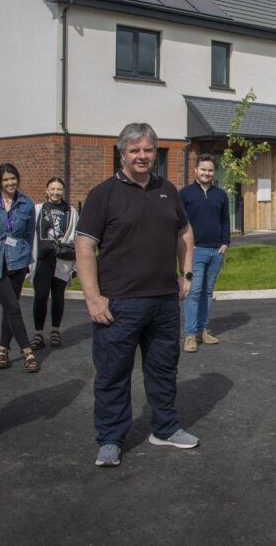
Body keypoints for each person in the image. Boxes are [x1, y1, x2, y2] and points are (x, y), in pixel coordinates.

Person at [76, 123, 199, 468]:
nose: (142, 156)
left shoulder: (168, 190)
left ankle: (166, 428)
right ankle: (111, 440)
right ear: (122, 153)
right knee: (113, 373)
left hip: (163, 301)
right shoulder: (104, 194)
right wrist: (93, 297)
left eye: (147, 150)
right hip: (118, 303)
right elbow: (85, 247)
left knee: (163, 370)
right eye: (134, 150)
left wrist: (185, 273)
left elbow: (185, 234)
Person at [0, 163, 38, 372]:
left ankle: (3, 349)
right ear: (0, 182)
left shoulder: (26, 204)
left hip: (19, 261)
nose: (10, 182)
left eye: (13, 178)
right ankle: (27, 350)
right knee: (13, 307)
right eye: (5, 179)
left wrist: (28, 260)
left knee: (9, 308)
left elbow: (30, 235)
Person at [179, 154, 229, 352]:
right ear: (195, 171)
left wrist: (225, 242)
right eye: (203, 170)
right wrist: (185, 247)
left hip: (216, 251)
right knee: (193, 291)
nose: (207, 173)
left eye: (210, 170)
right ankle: (190, 334)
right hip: (195, 251)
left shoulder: (220, 194)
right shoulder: (185, 194)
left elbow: (225, 220)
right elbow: (180, 224)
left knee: (207, 292)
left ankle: (202, 330)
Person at [29, 177, 78, 350]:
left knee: (58, 296)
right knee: (41, 296)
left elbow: (75, 236)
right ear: (46, 190)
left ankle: (55, 330)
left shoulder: (70, 211)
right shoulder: (37, 210)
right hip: (42, 258)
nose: (56, 192)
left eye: (59, 189)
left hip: (61, 259)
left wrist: (75, 265)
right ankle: (38, 333)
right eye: (52, 189)